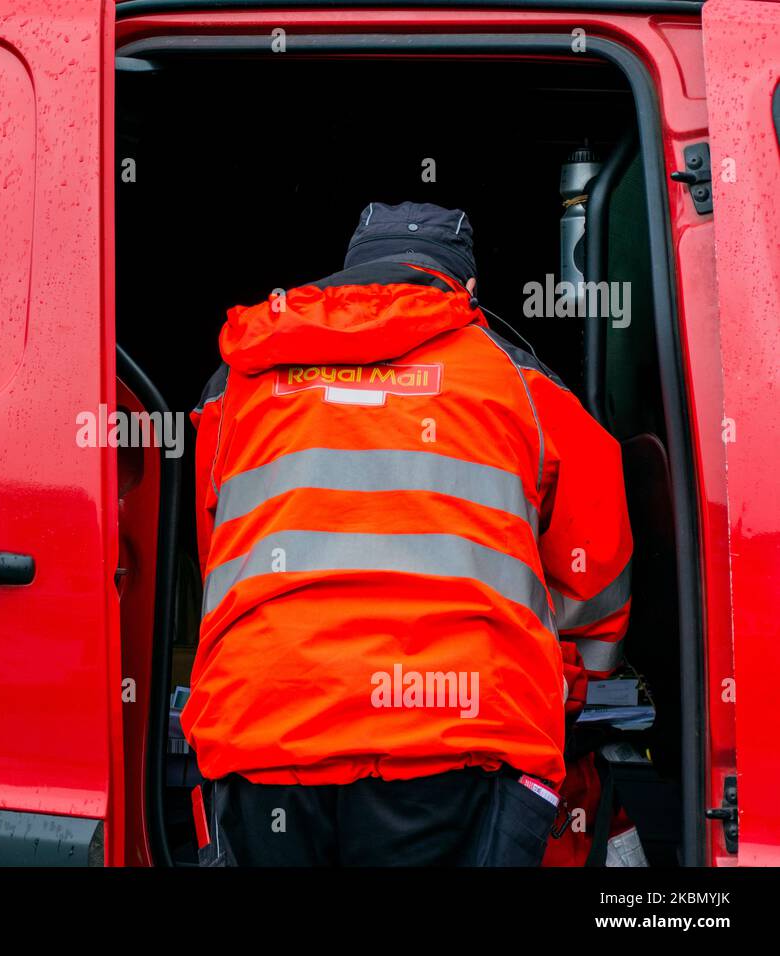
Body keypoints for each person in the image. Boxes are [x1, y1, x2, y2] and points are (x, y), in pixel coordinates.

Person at [184, 201, 633, 866]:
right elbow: (595, 586)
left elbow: (221, 563)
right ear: (466, 289)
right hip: (456, 739)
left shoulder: (240, 383)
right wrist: (563, 697)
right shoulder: (524, 383)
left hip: (262, 726)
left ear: (352, 272)